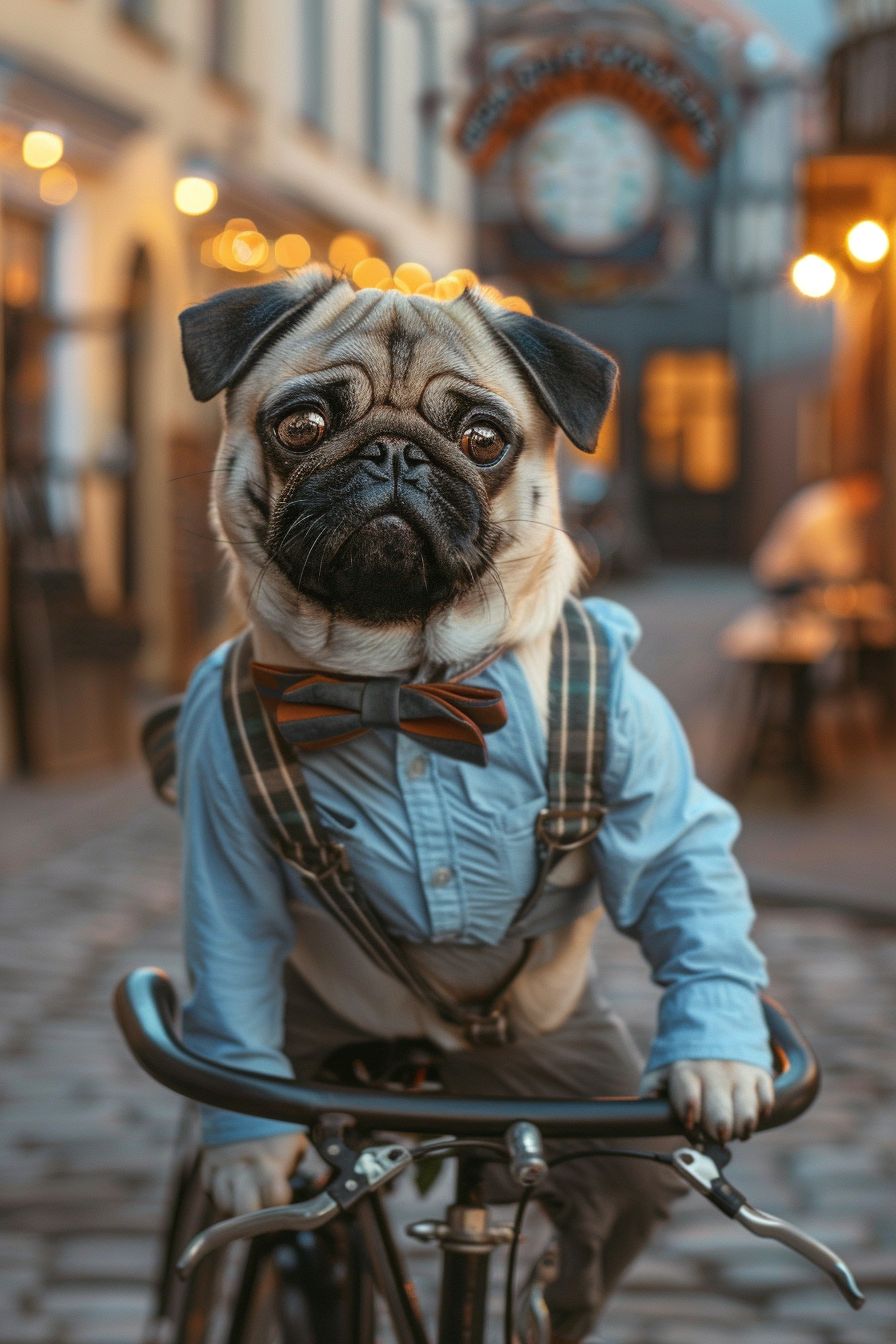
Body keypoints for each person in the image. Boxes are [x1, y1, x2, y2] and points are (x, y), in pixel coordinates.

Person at [752, 470, 883, 595]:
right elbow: (839, 567)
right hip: (782, 580)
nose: (874, 502)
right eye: (871, 492)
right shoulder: (827, 511)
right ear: (855, 483)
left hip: (798, 575)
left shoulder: (830, 496)